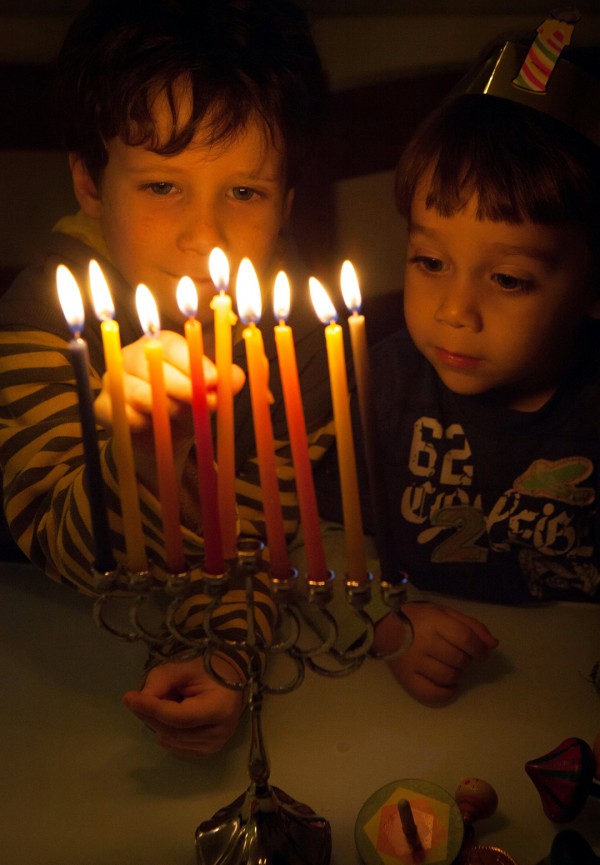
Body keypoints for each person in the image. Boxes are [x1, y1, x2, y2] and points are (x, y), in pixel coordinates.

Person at [0, 0, 332, 757]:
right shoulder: (45, 316)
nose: (203, 236)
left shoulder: (300, 339)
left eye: (243, 192)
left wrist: (225, 654)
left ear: (285, 203)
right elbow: (62, 546)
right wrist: (135, 449)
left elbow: (262, 542)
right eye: (161, 186)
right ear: (90, 181)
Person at [366, 17, 600, 706]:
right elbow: (310, 539)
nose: (454, 311)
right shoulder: (375, 387)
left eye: (508, 279)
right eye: (430, 261)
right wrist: (386, 624)